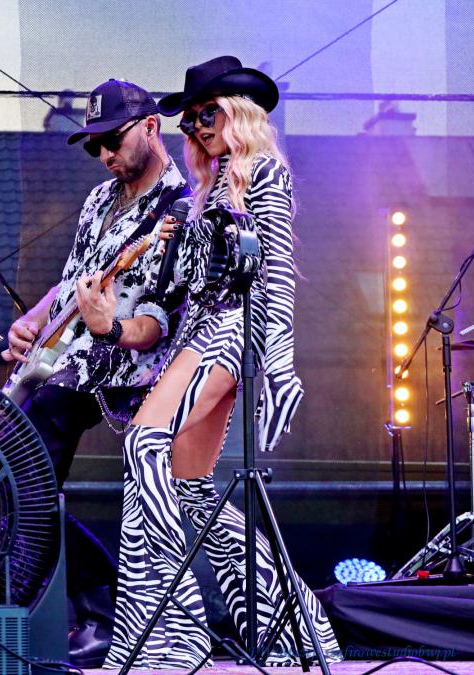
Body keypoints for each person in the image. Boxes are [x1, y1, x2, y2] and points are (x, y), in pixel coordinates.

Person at [104, 56, 341, 669]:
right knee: (189, 487)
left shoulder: (263, 172)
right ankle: (302, 631)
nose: (197, 127)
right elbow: (189, 282)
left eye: (207, 114)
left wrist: (280, 361)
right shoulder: (206, 188)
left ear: (238, 112)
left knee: (144, 445)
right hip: (201, 331)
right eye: (189, 120)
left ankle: (169, 639)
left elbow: (277, 271)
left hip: (234, 331)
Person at [2, 79, 188, 668]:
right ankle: (86, 604)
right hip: (65, 351)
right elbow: (71, 282)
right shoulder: (99, 200)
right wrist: (31, 322)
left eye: (112, 140)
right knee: (4, 469)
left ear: (151, 126)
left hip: (124, 359)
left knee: (30, 458)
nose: (104, 154)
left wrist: (110, 328)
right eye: (93, 145)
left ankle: (98, 607)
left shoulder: (180, 209)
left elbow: (159, 319)